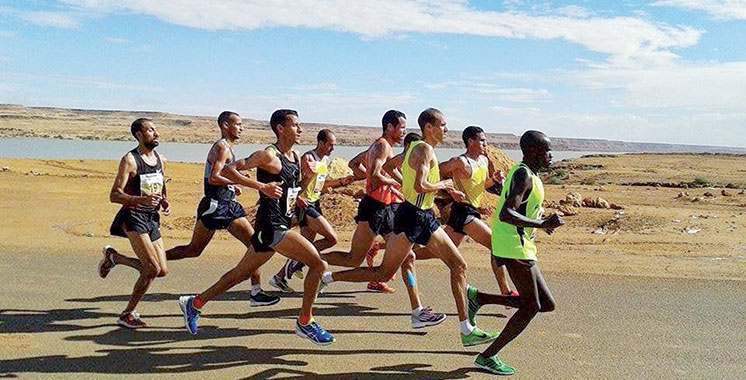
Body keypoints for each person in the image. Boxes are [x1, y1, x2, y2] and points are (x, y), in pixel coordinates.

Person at [322, 108, 496, 345]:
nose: (446, 129)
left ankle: (466, 329)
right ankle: (329, 277)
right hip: (411, 218)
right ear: (429, 128)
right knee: (383, 273)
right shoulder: (423, 148)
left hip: (424, 216)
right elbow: (422, 184)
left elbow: (390, 167)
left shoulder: (416, 147)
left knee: (458, 265)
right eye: (443, 125)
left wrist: (403, 187)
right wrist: (443, 184)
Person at [177, 109, 335, 345]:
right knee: (318, 264)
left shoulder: (295, 155)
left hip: (278, 222)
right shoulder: (268, 156)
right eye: (296, 126)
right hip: (272, 226)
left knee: (238, 275)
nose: (301, 130)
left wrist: (307, 181)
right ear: (281, 129)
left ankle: (195, 303)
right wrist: (261, 186)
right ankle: (305, 322)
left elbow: (293, 191)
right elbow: (230, 170)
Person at [100, 112, 280, 307]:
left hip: (226, 203)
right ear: (226, 125)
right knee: (250, 246)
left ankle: (134, 259)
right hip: (217, 206)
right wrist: (243, 182)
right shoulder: (222, 148)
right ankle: (255, 292)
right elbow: (213, 178)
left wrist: (231, 185)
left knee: (197, 250)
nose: (242, 128)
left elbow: (217, 178)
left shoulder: (226, 148)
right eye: (238, 124)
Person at [319, 110, 446, 328]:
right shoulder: (381, 146)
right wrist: (394, 184)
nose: (405, 131)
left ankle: (417, 311)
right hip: (375, 208)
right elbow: (377, 173)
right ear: (389, 127)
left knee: (408, 258)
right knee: (353, 259)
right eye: (401, 127)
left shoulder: (389, 149)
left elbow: (356, 163)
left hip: (389, 208)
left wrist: (390, 183)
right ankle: (311, 259)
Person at [472, 130, 564, 375]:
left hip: (522, 244)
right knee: (531, 306)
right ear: (533, 151)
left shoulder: (531, 175)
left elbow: (522, 210)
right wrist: (542, 225)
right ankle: (487, 356)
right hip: (513, 244)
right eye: (547, 150)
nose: (551, 155)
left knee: (546, 303)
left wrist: (541, 222)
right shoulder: (523, 174)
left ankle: (480, 298)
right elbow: (506, 213)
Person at [420, 126, 517, 305]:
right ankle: (506, 292)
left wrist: (493, 179)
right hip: (462, 211)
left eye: (485, 140)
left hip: (471, 211)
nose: (485, 144)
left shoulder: (483, 161)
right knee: (497, 245)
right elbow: (433, 171)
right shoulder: (459, 162)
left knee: (436, 251)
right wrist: (448, 188)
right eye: (481, 140)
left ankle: (397, 252)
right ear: (470, 141)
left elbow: (481, 185)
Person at [98, 118, 170, 328]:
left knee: (161, 270)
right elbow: (114, 195)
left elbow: (160, 185)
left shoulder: (160, 158)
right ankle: (126, 314)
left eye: (156, 129)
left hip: (152, 217)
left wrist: (164, 200)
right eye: (150, 130)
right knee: (151, 269)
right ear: (139, 135)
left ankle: (115, 258)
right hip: (133, 217)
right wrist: (141, 200)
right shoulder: (130, 160)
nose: (156, 133)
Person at [270, 129, 355, 292]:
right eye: (330, 145)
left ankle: (279, 278)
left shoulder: (325, 159)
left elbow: (321, 184)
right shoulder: (308, 158)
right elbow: (295, 181)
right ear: (321, 142)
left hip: (315, 202)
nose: (333, 148)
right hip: (304, 205)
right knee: (331, 238)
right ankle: (298, 262)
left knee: (305, 245)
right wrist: (297, 197)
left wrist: (341, 182)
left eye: (334, 145)